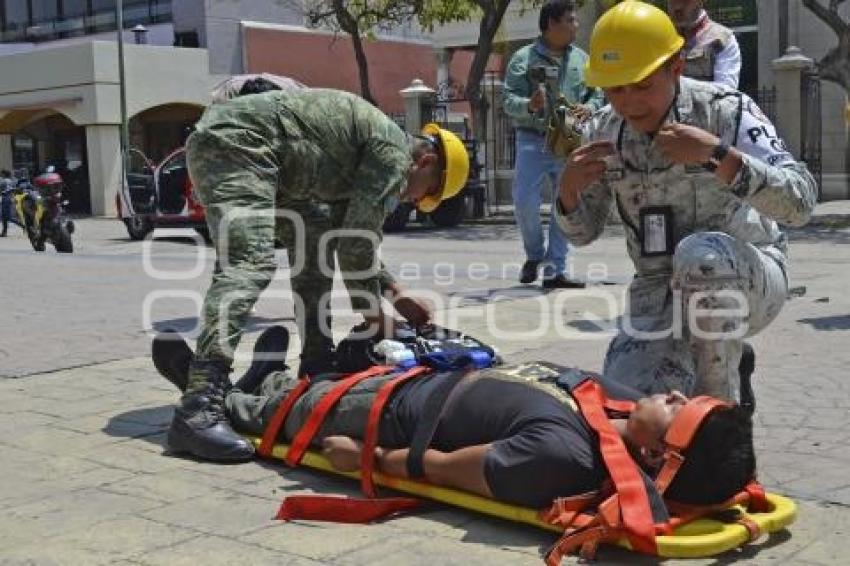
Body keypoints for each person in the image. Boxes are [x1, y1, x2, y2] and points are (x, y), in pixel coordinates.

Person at [169, 87, 469, 462]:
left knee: (316, 247)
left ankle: (315, 365)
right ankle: (198, 407)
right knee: (249, 262)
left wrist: (395, 290)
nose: (416, 202)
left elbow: (348, 238)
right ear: (426, 161)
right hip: (240, 146)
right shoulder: (394, 155)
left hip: (277, 162)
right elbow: (356, 248)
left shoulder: (377, 156)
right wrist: (379, 320)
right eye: (428, 193)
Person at [156, 326, 755, 509]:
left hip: (381, 418)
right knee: (315, 384)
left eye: (680, 409)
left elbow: (438, 468)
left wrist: (363, 460)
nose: (675, 394)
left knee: (283, 412)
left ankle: (211, 395)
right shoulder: (621, 404)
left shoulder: (562, 457)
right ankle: (271, 381)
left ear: (654, 455)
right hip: (412, 381)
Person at [554, 1, 817, 404]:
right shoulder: (601, 130)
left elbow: (800, 202)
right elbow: (583, 232)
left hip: (749, 276)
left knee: (702, 258)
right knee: (627, 407)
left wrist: (718, 157)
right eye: (615, 89)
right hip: (658, 290)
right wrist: (568, 191)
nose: (629, 103)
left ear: (675, 67)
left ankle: (720, 422)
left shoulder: (726, 111)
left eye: (642, 85)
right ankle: (722, 363)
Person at [503, 0, 604, 288]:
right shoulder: (523, 58)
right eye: (570, 20)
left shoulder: (582, 59)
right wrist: (529, 104)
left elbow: (596, 93)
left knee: (566, 201)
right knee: (524, 201)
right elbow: (508, 100)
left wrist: (590, 106)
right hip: (531, 138)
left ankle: (555, 270)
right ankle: (535, 255)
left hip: (568, 135)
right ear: (550, 25)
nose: (576, 25)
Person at [667, 0, 741, 89]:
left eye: (685, 1)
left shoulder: (722, 39)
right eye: (672, 1)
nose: (677, 7)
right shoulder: (659, 35)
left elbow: (724, 91)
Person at [0, 169, 14, 237]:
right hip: (10, 198)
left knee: (5, 216)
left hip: (5, 198)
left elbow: (1, 189)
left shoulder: (4, 181)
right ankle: (4, 231)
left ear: (4, 174)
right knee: (7, 216)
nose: (1, 175)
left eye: (1, 174)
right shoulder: (11, 181)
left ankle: (4, 232)